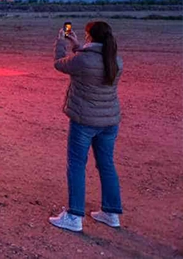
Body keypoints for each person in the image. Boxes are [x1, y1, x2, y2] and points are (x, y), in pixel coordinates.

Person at [49, 21, 124, 232]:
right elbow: (90, 61)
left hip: (84, 121)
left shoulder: (83, 60)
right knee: (106, 165)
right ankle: (111, 213)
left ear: (90, 36)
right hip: (109, 121)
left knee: (76, 165)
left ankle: (74, 216)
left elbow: (60, 63)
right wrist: (78, 45)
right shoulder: (116, 60)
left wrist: (61, 42)